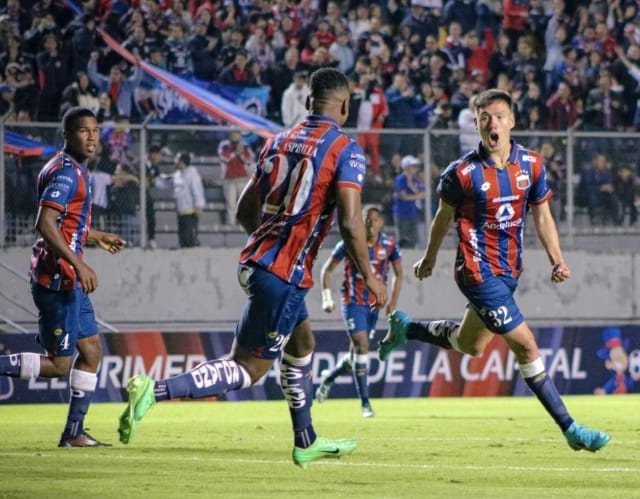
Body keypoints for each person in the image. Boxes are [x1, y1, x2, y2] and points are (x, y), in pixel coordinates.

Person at [117, 67, 388, 468]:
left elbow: (245, 210)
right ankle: (154, 391)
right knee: (247, 368)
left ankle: (306, 439)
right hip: (283, 273)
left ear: (308, 101)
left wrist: (270, 246)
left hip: (261, 261)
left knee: (302, 345)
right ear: (345, 105)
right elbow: (350, 222)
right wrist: (369, 275)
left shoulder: (278, 140)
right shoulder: (345, 149)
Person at [377, 89, 611, 453]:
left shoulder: (531, 164)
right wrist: (430, 257)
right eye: (484, 118)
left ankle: (407, 329)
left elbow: (543, 215)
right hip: (476, 270)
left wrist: (557, 259)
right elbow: (443, 217)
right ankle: (571, 429)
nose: (492, 123)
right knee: (526, 346)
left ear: (512, 121)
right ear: (476, 125)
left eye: (499, 116)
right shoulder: (462, 173)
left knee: (470, 344)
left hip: (509, 270)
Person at [0, 107, 126, 447]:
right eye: (84, 131)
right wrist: (80, 265)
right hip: (58, 280)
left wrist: (95, 236)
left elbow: (67, 225)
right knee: (59, 365)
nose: (92, 137)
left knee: (92, 351)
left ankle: (74, 432)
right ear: (67, 135)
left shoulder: (72, 168)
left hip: (70, 281)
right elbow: (45, 224)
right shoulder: (67, 173)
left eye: (95, 130)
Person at [316, 205, 402, 417]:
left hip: (374, 306)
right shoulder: (350, 243)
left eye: (375, 220)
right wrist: (327, 298)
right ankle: (365, 404)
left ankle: (329, 377)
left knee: (356, 354)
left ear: (381, 223)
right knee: (362, 347)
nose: (371, 224)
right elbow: (327, 270)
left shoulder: (389, 245)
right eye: (367, 220)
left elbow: (399, 274)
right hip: (352, 302)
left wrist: (393, 303)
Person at [155, 151, 205, 248]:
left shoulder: (192, 174)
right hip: (181, 209)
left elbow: (197, 190)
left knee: (189, 233)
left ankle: (192, 247)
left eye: (177, 160)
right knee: (182, 233)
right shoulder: (178, 174)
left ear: (182, 162)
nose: (175, 162)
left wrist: (199, 205)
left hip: (191, 210)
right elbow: (167, 182)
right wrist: (155, 181)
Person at [217, 131, 256, 226]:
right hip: (229, 179)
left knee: (243, 203)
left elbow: (250, 159)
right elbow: (224, 158)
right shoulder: (225, 146)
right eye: (233, 135)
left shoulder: (245, 147)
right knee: (231, 203)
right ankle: (231, 223)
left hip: (243, 179)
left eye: (237, 136)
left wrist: (241, 153)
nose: (235, 137)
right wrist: (234, 152)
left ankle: (244, 222)